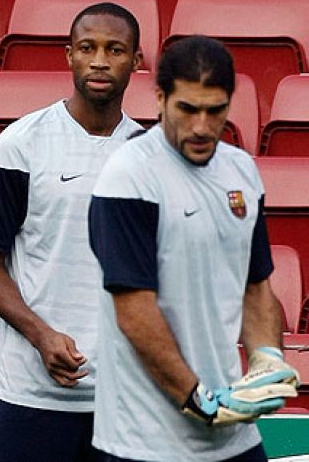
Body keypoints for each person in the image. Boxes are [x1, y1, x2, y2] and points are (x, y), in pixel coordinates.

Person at [88, 35, 300, 461]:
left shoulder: (242, 171)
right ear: (160, 99)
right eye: (187, 109)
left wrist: (267, 359)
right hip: (146, 441)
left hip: (234, 433)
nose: (202, 127)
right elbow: (134, 311)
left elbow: (255, 285)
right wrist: (198, 400)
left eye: (215, 110)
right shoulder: (128, 176)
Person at [0, 2, 144, 461]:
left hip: (127, 401)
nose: (100, 61)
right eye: (87, 48)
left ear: (136, 60)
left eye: (115, 50)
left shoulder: (151, 158)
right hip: (31, 395)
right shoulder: (19, 145)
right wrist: (40, 334)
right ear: (69, 55)